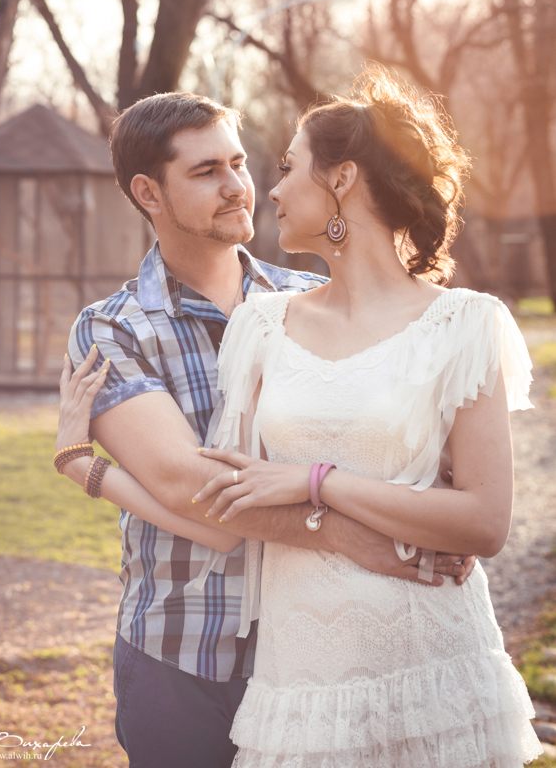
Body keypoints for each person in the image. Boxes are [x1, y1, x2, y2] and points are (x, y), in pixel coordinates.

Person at [55, 90, 477, 768]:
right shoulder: (113, 328)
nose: (237, 187)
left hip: (318, 649)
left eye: (239, 164)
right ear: (147, 192)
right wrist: (344, 531)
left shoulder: (304, 304)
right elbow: (188, 486)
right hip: (181, 652)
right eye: (205, 172)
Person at [187, 71, 542, 766]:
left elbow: (483, 522)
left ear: (342, 178)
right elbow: (228, 500)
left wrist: (314, 480)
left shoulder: (464, 325)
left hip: (432, 666)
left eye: (288, 169)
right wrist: (86, 462)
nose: (275, 190)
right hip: (303, 683)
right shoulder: (260, 326)